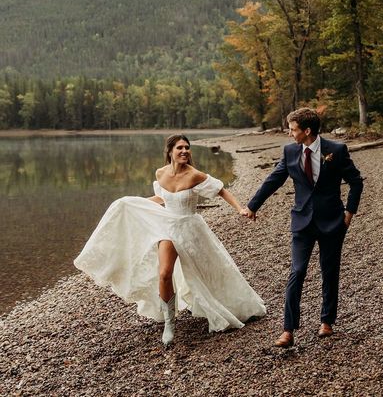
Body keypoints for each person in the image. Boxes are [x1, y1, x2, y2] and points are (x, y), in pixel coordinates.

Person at [74, 134, 266, 346]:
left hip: (191, 229)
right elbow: (163, 199)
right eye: (179, 148)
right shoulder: (160, 173)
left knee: (210, 272)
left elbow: (222, 191)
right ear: (170, 151)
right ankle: (169, 323)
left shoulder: (195, 175)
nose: (184, 151)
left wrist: (240, 209)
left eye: (187, 147)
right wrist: (135, 205)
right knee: (164, 273)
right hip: (166, 227)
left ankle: (231, 304)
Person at [242, 107, 363, 347]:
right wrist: (253, 206)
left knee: (330, 272)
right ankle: (288, 330)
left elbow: (356, 181)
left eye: (293, 129)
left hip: (332, 222)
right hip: (302, 222)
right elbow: (274, 180)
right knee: (297, 272)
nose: (290, 133)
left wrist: (349, 213)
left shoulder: (336, 150)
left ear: (307, 131)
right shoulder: (290, 152)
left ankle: (326, 322)